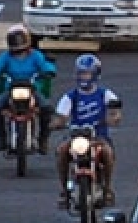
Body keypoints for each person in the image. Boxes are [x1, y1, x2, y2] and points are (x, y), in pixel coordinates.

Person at [51, 54, 121, 209]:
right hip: (76, 136)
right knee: (62, 151)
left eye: (87, 73)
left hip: (98, 137)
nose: (84, 77)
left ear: (95, 74)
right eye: (81, 73)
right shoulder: (70, 96)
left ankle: (108, 189)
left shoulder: (105, 94)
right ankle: (64, 191)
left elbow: (115, 113)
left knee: (107, 153)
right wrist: (56, 124)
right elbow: (61, 116)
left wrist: (112, 118)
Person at [0, 24, 56, 154]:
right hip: (11, 89)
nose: (19, 47)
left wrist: (49, 71)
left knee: (46, 108)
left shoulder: (36, 55)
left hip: (32, 89)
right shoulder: (6, 56)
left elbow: (45, 65)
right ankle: (1, 137)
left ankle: (43, 139)